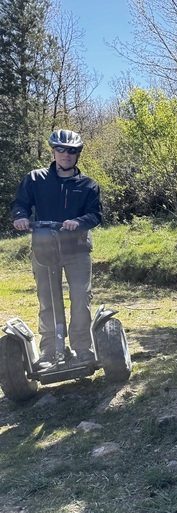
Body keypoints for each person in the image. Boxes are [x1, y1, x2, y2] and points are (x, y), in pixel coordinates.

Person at [11, 129, 103, 366]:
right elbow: (20, 204)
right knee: (47, 299)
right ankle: (50, 350)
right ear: (53, 152)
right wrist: (20, 217)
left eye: (72, 151)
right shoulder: (35, 179)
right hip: (44, 247)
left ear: (77, 154)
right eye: (61, 150)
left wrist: (78, 222)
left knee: (81, 297)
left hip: (77, 249)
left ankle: (83, 348)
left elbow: (95, 215)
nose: (66, 155)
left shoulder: (88, 185)